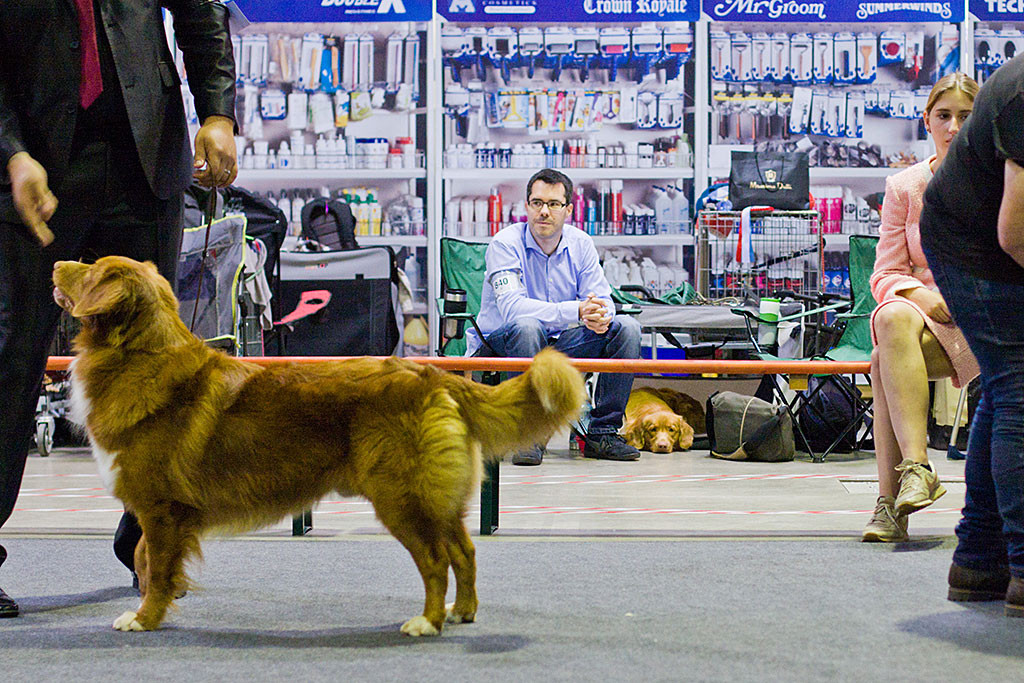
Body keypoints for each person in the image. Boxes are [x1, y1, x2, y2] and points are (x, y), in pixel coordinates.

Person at [0, 1, 238, 618]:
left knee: (162, 367)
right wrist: (11, 151)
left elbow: (200, 16)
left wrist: (217, 114)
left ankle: (148, 542)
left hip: (145, 162)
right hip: (37, 174)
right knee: (11, 365)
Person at [919, 53, 1024, 616]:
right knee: (1021, 391)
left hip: (993, 238)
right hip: (979, 247)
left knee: (1007, 389)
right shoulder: (1022, 94)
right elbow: (1016, 234)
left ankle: (980, 562)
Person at [862, 74, 980, 543]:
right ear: (926, 121)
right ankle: (917, 466)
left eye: (966, 117)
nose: (953, 127)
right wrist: (922, 295)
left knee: (878, 362)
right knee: (892, 314)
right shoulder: (905, 186)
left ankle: (891, 506)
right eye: (944, 116)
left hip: (983, 321)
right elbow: (884, 275)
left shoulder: (1001, 181)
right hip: (923, 319)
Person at [467, 168, 642, 466]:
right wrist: (576, 310)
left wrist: (600, 315)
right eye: (537, 203)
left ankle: (603, 433)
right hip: (503, 344)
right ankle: (528, 435)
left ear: (569, 209)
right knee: (526, 326)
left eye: (553, 204)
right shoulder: (504, 243)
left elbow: (602, 298)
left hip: (556, 344)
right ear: (526, 207)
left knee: (626, 327)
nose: (544, 212)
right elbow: (512, 309)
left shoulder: (581, 243)